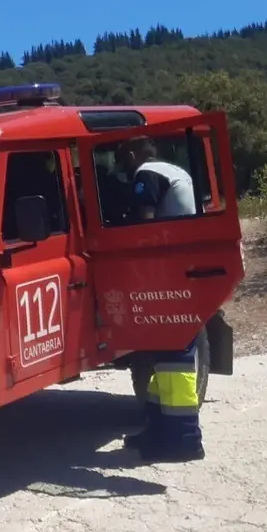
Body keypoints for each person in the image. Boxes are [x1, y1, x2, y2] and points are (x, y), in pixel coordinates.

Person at [117, 135, 205, 462]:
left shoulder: (147, 174)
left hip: (169, 270)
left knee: (174, 354)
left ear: (132, 153)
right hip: (183, 265)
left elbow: (145, 225)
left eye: (120, 157)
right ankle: (157, 431)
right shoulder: (173, 170)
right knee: (163, 356)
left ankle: (186, 439)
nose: (119, 166)